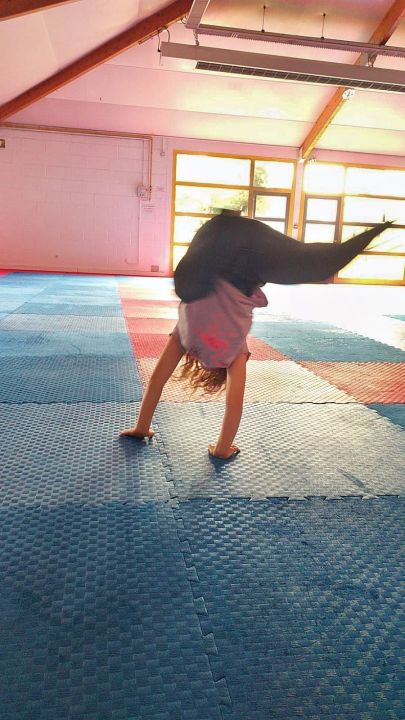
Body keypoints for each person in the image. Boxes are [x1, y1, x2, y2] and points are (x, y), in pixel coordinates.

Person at [121, 210, 393, 460]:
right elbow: (160, 382)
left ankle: (363, 238)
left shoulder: (231, 349)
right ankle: (225, 221)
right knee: (298, 260)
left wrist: (221, 447)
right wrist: (218, 448)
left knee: (310, 262)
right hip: (209, 262)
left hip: (245, 267)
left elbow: (226, 402)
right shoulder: (198, 338)